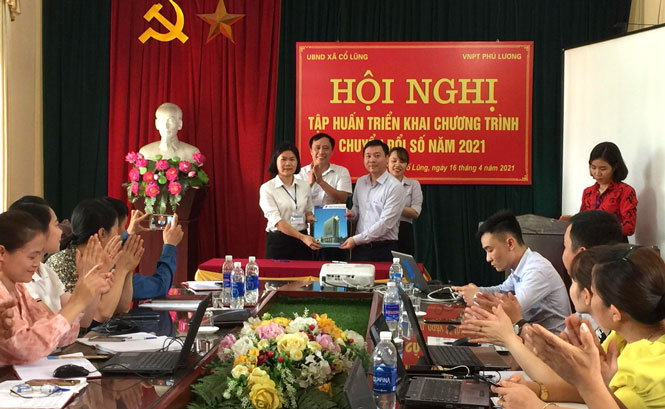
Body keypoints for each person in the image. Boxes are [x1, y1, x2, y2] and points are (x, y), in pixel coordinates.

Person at [461, 214, 623, 405]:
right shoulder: (591, 317)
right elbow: (579, 384)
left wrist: (512, 333)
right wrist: (537, 390)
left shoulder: (613, 331)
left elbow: (570, 377)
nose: (488, 258)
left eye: (564, 246)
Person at [493, 244, 665, 409]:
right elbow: (602, 393)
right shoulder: (622, 339)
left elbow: (600, 395)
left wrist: (535, 406)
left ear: (615, 313)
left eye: (594, 292)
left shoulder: (645, 364)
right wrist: (540, 390)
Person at [0, 210, 111, 365]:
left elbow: (61, 337)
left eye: (40, 255)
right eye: (31, 257)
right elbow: (24, 349)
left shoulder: (19, 289)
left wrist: (82, 296)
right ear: (2, 253)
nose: (37, 263)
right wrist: (76, 302)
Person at [452, 210, 571, 333]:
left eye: (490, 250)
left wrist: (475, 297)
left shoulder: (537, 270)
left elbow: (511, 310)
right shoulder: (521, 265)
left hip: (551, 341)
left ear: (510, 243)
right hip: (531, 335)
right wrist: (477, 291)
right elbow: (502, 289)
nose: (488, 258)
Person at [46, 198, 142, 322]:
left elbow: (122, 307)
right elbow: (102, 314)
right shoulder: (63, 262)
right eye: (117, 231)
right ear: (102, 233)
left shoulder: (103, 257)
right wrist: (121, 268)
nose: (119, 237)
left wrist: (128, 269)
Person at [102, 197, 183, 300]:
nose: (123, 235)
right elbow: (160, 286)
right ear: (102, 233)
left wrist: (129, 233)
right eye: (123, 229)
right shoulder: (110, 275)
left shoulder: (87, 258)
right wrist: (170, 246)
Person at [340, 140, 405, 261]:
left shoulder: (395, 187)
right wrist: (352, 214)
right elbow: (357, 208)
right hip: (360, 250)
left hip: (383, 249)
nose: (372, 160)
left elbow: (385, 224)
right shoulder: (361, 182)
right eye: (368, 156)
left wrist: (355, 239)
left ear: (387, 158)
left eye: (377, 155)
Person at [259, 143, 320, 260]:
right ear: (275, 162)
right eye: (283, 159)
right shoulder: (267, 188)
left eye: (292, 159)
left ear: (297, 162)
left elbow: (308, 210)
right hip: (279, 242)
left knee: (304, 272)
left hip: (303, 243)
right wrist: (302, 237)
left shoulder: (304, 185)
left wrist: (311, 217)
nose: (288, 163)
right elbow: (277, 222)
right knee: (278, 272)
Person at [297, 133, 352, 261]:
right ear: (311, 151)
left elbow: (342, 199)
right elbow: (296, 202)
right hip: (304, 233)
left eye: (326, 148)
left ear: (332, 151)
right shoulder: (299, 174)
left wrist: (321, 181)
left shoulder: (341, 172)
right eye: (317, 148)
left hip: (333, 235)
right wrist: (310, 184)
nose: (321, 152)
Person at [564, 142, 637, 239]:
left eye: (603, 169)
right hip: (589, 243)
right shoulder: (588, 192)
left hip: (614, 244)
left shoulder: (625, 191)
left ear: (614, 167)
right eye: (593, 167)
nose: (597, 173)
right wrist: (573, 220)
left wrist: (599, 227)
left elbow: (629, 228)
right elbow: (584, 221)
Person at [387, 147, 423, 255]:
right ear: (387, 163)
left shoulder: (413, 184)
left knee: (404, 264)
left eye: (402, 161)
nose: (397, 164)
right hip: (383, 231)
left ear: (407, 165)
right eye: (394, 161)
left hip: (404, 231)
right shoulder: (379, 184)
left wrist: (392, 205)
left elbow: (415, 212)